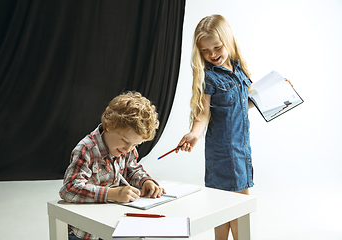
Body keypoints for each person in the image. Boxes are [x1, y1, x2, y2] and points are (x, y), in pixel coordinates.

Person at [176, 15, 255, 240]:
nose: (212, 54)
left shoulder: (239, 69)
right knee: (236, 209)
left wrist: (274, 90)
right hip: (224, 153)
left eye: (217, 47)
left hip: (242, 150)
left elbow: (244, 103)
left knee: (225, 209)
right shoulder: (209, 77)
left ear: (228, 41)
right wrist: (193, 133)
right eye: (205, 50)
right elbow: (203, 115)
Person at [59, 91, 165, 240]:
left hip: (111, 223)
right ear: (109, 126)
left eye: (135, 144)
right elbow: (69, 189)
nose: (129, 149)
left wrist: (145, 181)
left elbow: (132, 169)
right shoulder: (86, 149)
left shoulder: (126, 148)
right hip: (84, 231)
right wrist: (113, 194)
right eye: (125, 141)